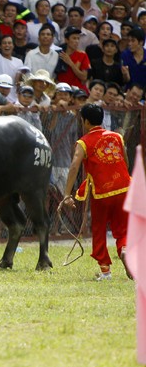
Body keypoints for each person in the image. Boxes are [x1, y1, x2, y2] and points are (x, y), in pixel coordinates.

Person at [61, 103, 132, 281]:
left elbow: (74, 166)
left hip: (102, 193)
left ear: (85, 121)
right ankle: (124, 249)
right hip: (124, 188)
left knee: (99, 230)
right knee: (123, 229)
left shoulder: (83, 142)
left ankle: (105, 271)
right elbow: (125, 161)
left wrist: (67, 194)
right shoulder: (117, 136)